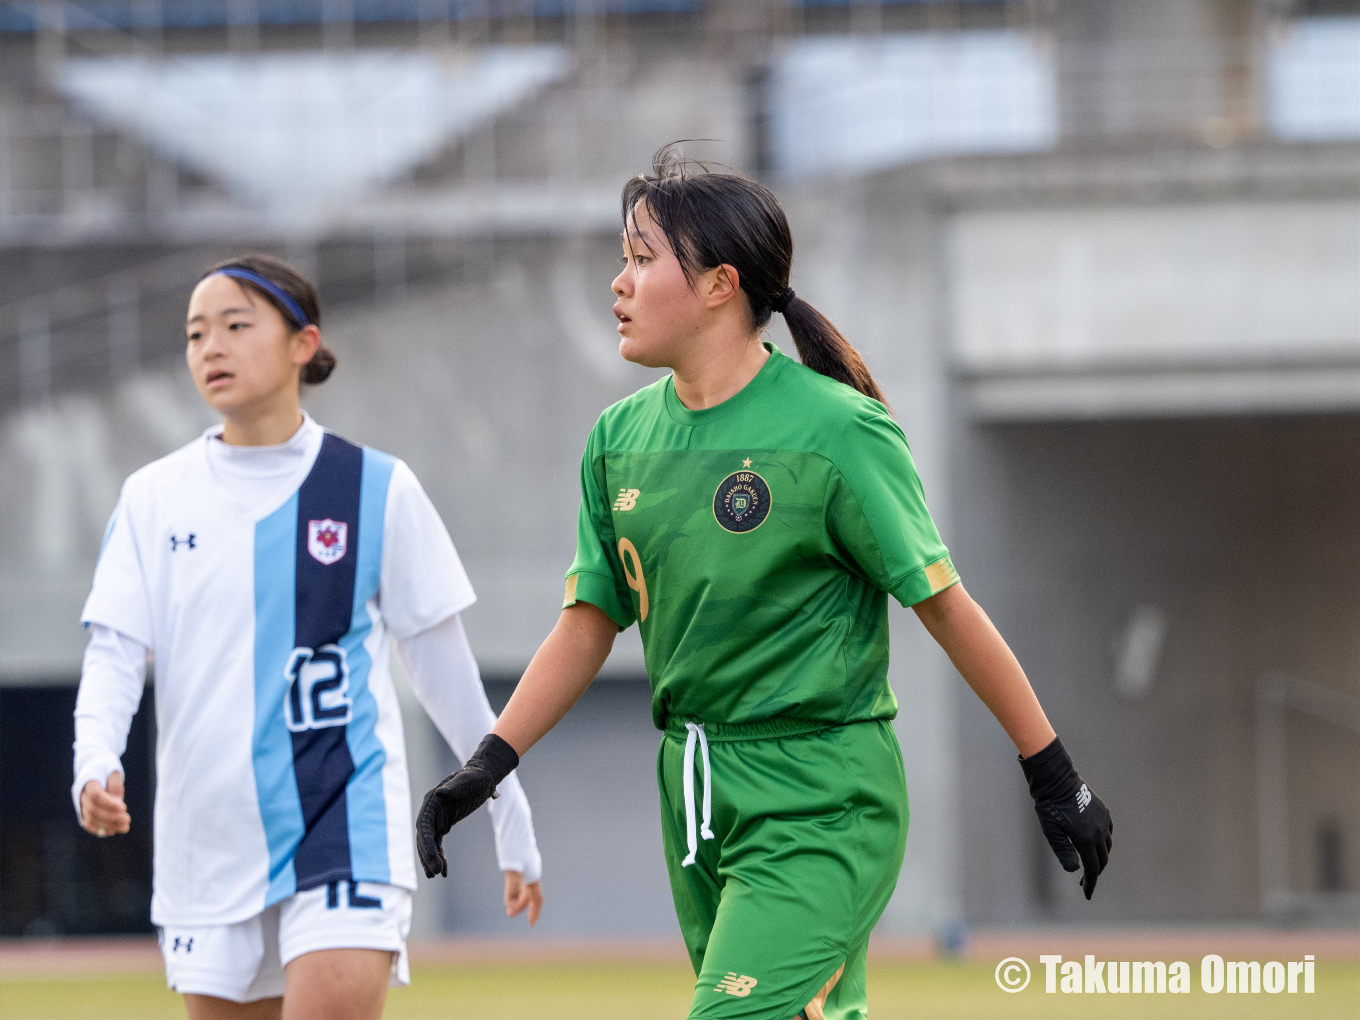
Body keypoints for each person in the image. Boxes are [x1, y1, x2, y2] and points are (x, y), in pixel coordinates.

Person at [416, 148, 1113, 1020]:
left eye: (641, 258)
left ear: (719, 285)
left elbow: (945, 606)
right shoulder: (616, 439)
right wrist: (485, 765)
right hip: (697, 789)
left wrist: (1052, 773)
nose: (617, 283)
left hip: (825, 792)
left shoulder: (837, 432)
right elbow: (588, 624)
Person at [73, 255, 543, 1020]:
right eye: (195, 333)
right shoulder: (152, 498)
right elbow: (115, 653)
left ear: (303, 343)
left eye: (235, 325)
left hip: (344, 820)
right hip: (207, 837)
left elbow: (443, 669)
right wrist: (93, 761)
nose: (211, 347)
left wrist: (507, 810)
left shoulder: (378, 489)